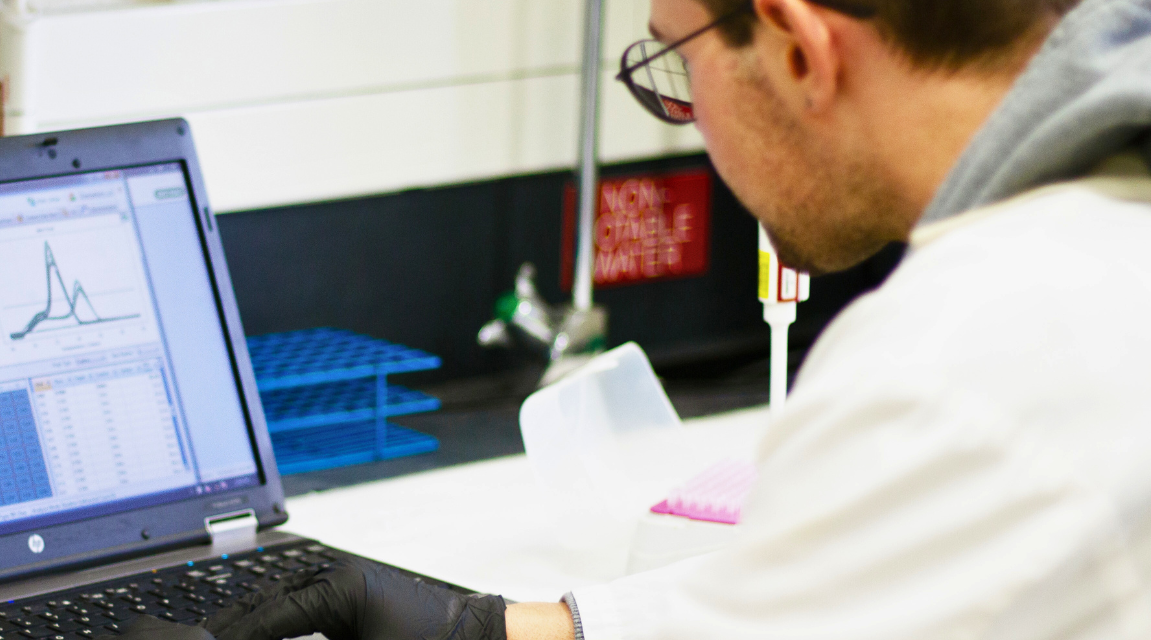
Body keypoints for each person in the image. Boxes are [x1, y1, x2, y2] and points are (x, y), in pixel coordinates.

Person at [128, 0, 1151, 637]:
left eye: (678, 66)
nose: (690, 116)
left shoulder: (967, 360)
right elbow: (827, 611)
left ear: (798, 47)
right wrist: (504, 628)